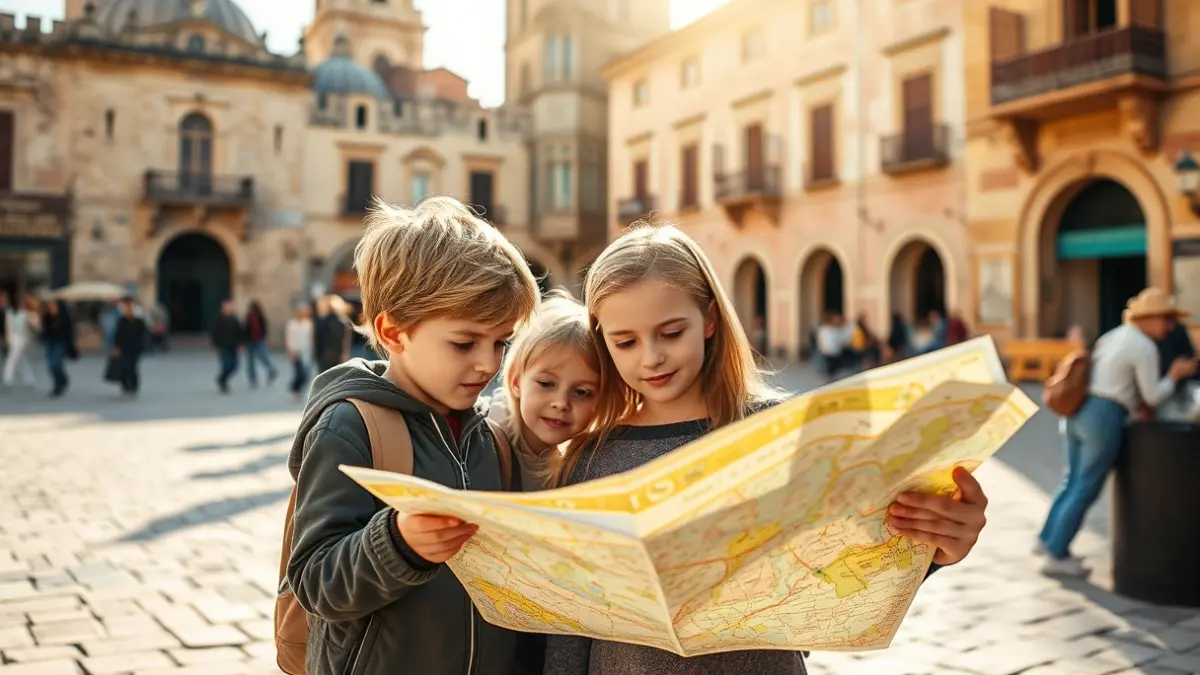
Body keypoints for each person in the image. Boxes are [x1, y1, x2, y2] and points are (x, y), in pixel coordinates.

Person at [543, 223, 990, 675]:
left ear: (710, 320)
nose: (651, 357)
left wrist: (934, 549)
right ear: (603, 342)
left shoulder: (789, 433)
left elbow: (846, 563)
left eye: (672, 333)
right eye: (626, 342)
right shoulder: (590, 459)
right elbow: (571, 628)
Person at [284, 196, 541, 675]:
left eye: (500, 342)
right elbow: (314, 581)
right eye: (465, 343)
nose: (487, 364)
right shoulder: (350, 427)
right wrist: (397, 543)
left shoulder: (490, 436)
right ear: (394, 331)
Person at [1037, 288, 1197, 577]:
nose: (1170, 327)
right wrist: (1174, 375)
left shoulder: (1113, 336)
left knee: (1072, 479)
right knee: (1086, 486)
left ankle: (1048, 538)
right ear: (1149, 318)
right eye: (1166, 319)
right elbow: (1152, 396)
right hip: (1104, 415)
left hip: (1079, 409)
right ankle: (1057, 554)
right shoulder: (1144, 346)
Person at [489, 289, 601, 491]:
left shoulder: (582, 465)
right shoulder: (482, 440)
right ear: (516, 382)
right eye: (546, 384)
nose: (561, 403)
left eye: (582, 392)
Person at [40, 298, 76, 397]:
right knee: (50, 365)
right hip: (49, 343)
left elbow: (69, 333)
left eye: (53, 305)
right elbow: (44, 330)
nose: (51, 307)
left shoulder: (64, 317)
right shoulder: (47, 317)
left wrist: (70, 346)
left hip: (60, 343)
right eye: (50, 305)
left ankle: (59, 384)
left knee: (56, 364)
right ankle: (61, 381)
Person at [2, 294, 40, 387]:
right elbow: (8, 327)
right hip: (13, 338)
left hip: (22, 339)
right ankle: (29, 379)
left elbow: (36, 326)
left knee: (12, 358)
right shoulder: (10, 313)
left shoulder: (27, 314)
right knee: (21, 361)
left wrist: (35, 326)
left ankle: (7, 378)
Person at [111, 297, 146, 397]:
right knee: (124, 367)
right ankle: (125, 385)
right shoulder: (122, 320)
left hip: (135, 348)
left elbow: (142, 334)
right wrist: (116, 346)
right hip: (123, 348)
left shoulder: (139, 321)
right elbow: (118, 334)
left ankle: (133, 386)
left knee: (133, 367)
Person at [243, 300, 279, 388]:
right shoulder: (251, 317)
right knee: (253, 361)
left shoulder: (258, 317)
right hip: (252, 341)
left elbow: (262, 328)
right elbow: (246, 329)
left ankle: (270, 372)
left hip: (257, 340)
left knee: (261, 358)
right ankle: (254, 379)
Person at [212, 300, 243, 394]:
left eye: (230, 307)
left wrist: (240, 344)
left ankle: (221, 379)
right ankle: (223, 383)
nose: (229, 309)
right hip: (223, 346)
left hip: (233, 346)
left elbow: (239, 332)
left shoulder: (235, 320)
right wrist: (216, 346)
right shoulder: (219, 320)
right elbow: (214, 333)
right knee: (226, 365)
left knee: (234, 366)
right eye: (227, 307)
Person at [285, 303, 315, 400]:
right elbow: (289, 338)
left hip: (306, 351)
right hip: (296, 350)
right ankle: (294, 389)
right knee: (299, 372)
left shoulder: (309, 323)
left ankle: (296, 389)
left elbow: (311, 338)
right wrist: (290, 350)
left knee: (307, 374)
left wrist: (313, 350)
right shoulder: (292, 324)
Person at [313, 295, 348, 373]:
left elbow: (343, 339)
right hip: (326, 354)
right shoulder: (322, 321)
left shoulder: (340, 321)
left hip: (333, 354)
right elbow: (318, 338)